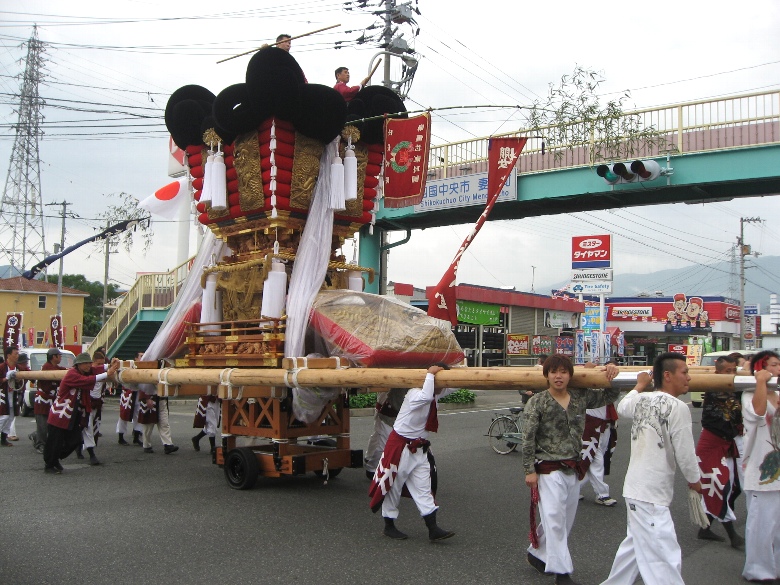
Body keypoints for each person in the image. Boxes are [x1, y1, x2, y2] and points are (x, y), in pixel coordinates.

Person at [600, 352, 702, 585]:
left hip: (637, 488)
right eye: (685, 372)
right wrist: (695, 480)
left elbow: (623, 406)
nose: (689, 377)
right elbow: (685, 451)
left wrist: (639, 386)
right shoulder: (678, 407)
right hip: (649, 493)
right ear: (667, 375)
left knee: (635, 547)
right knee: (663, 553)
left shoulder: (642, 399)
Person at [524, 355, 619, 585]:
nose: (559, 376)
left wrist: (612, 372)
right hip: (548, 469)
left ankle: (537, 552)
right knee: (555, 519)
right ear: (546, 375)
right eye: (554, 372)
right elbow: (528, 438)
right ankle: (562, 573)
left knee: (563, 521)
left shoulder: (579, 397)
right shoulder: (537, 402)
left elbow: (609, 395)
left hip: (573, 467)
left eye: (563, 372)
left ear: (570, 375)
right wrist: (529, 470)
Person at [368, 363, 456, 542]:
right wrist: (430, 374)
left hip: (419, 448)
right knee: (394, 485)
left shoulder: (434, 392)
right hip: (400, 446)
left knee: (424, 486)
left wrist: (459, 372)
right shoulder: (415, 393)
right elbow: (425, 396)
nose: (443, 388)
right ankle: (389, 526)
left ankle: (433, 528)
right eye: (441, 383)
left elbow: (452, 387)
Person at [695, 354, 744, 549]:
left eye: (734, 370)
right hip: (711, 444)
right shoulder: (715, 388)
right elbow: (735, 410)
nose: (731, 374)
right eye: (727, 371)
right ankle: (733, 536)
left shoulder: (735, 387)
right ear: (718, 373)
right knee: (719, 487)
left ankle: (706, 527)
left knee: (734, 486)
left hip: (727, 444)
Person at [740, 350, 780, 583]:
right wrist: (761, 382)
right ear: (761, 368)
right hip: (761, 467)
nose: (778, 368)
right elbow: (757, 413)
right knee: (761, 525)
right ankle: (758, 570)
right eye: (773, 364)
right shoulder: (749, 393)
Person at [44, 353, 120, 473]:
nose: (89, 365)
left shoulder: (83, 372)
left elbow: (95, 370)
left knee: (75, 439)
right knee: (55, 441)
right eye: (86, 363)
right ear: (79, 365)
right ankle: (50, 464)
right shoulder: (72, 374)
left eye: (89, 363)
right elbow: (87, 380)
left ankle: (55, 458)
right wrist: (107, 373)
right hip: (60, 414)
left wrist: (109, 365)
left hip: (72, 414)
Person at [579, 364, 619, 507]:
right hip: (590, 427)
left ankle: (573, 488)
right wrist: (587, 369)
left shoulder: (608, 386)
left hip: (605, 426)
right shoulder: (586, 386)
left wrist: (611, 368)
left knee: (590, 460)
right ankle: (602, 494)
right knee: (596, 459)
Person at [363, 387, 409, 479]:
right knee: (383, 438)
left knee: (381, 435)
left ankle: (370, 458)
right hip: (389, 403)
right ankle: (373, 465)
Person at [30, 348, 66, 453]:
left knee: (52, 424)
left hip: (52, 400)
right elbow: (58, 372)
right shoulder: (47, 367)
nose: (60, 357)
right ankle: (40, 444)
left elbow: (61, 370)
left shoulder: (55, 367)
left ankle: (36, 435)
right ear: (54, 357)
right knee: (43, 425)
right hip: (42, 400)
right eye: (59, 355)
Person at [80, 350, 107, 466]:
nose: (100, 366)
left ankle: (84, 447)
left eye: (102, 364)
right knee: (87, 427)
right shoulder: (87, 373)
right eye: (98, 364)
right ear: (93, 363)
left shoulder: (101, 372)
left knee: (95, 427)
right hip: (86, 403)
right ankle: (91, 454)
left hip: (97, 403)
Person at [139, 382, 179, 455]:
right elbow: (142, 383)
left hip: (162, 398)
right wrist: (146, 398)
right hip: (151, 397)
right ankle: (146, 445)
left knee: (164, 423)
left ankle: (168, 445)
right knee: (148, 424)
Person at [116, 351, 144, 446]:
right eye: (141, 356)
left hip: (139, 392)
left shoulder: (145, 367)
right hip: (128, 392)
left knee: (138, 415)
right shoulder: (128, 365)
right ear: (136, 358)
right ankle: (121, 437)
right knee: (124, 414)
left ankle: (136, 436)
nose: (142, 358)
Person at [0, 345, 20, 446]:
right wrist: (6, 378)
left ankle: (3, 438)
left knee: (11, 417)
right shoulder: (2, 367)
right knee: (4, 416)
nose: (17, 356)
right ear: (8, 355)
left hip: (12, 394)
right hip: (2, 394)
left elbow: (27, 374)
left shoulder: (18, 367)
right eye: (15, 354)